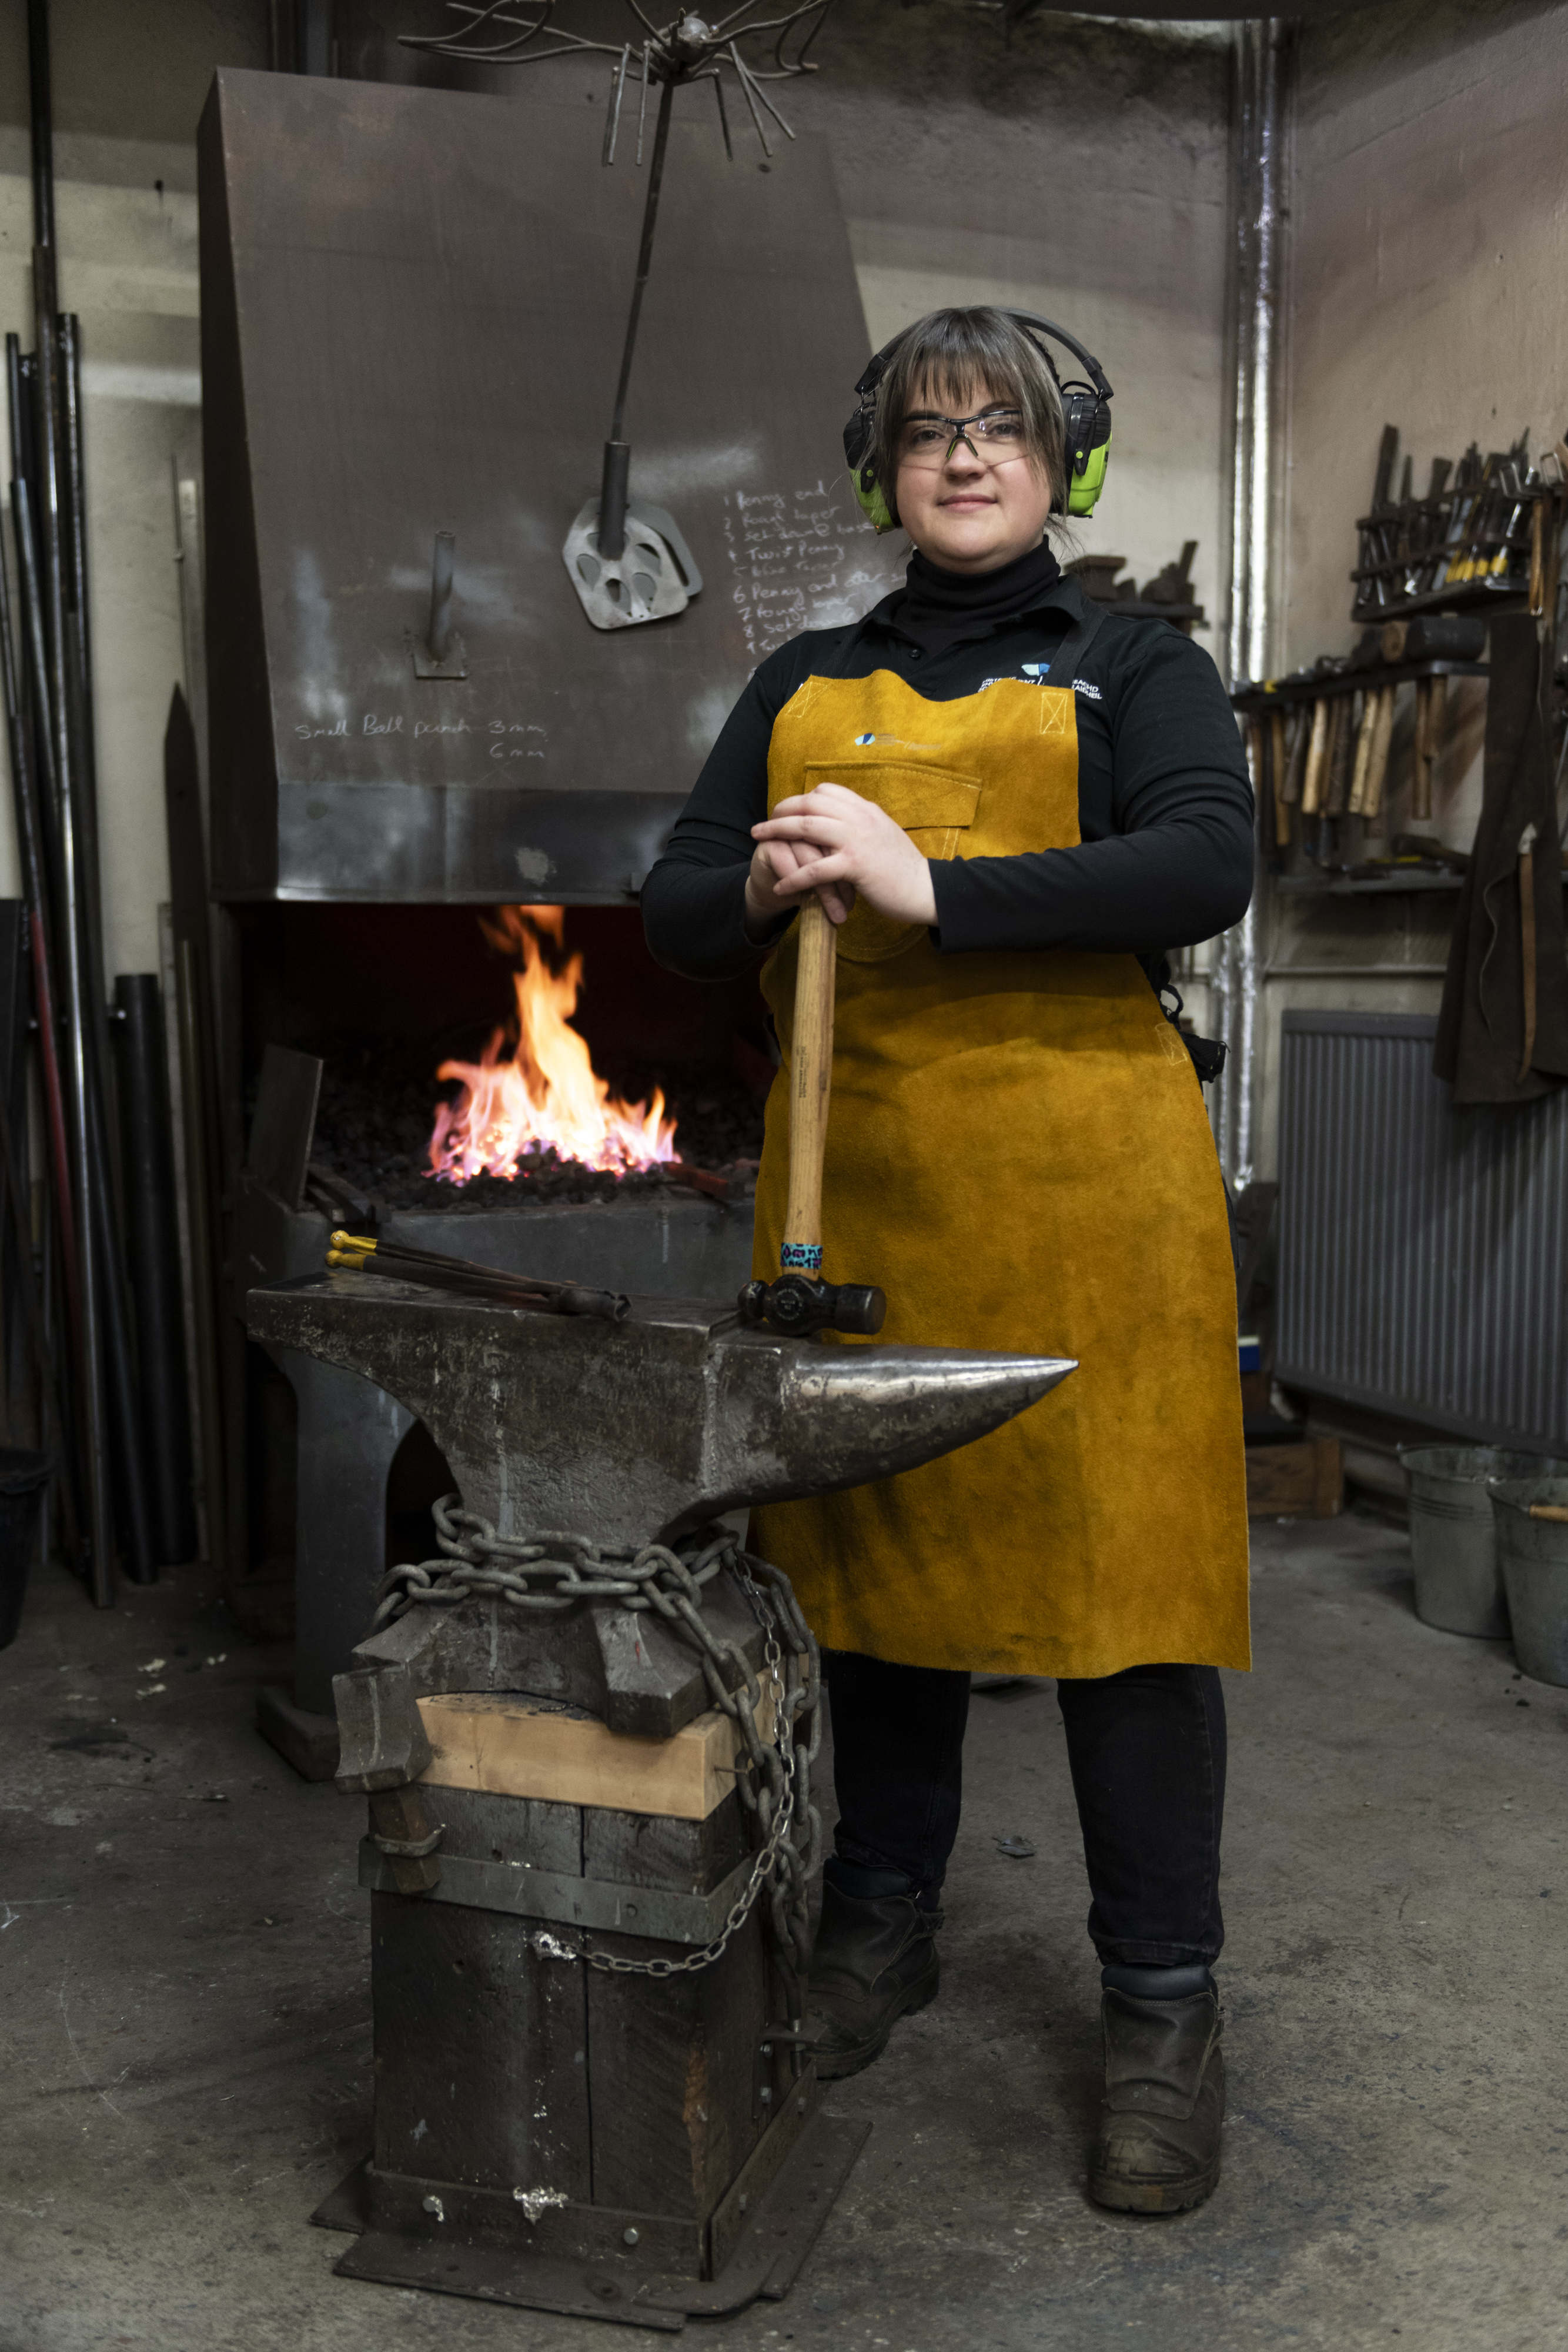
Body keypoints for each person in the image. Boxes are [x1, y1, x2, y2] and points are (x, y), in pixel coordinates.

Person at [641, 305, 1253, 2215]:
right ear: (879, 469)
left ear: (1061, 463)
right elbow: (669, 909)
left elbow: (1203, 865)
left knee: (1127, 1604)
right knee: (872, 1587)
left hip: (1097, 1200)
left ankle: (1159, 2009)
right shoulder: (805, 680)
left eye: (1004, 427)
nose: (965, 455)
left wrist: (930, 890)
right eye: (927, 431)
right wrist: (749, 885)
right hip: (872, 1191)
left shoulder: (1131, 664)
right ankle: (874, 1933)